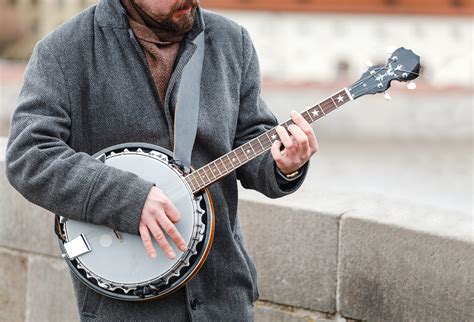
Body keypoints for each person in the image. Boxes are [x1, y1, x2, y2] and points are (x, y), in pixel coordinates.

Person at [5, 0, 318, 320]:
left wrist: (282, 164)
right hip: (126, 308)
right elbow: (29, 154)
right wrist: (129, 198)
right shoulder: (65, 51)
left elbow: (250, 137)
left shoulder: (231, 41)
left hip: (223, 299)